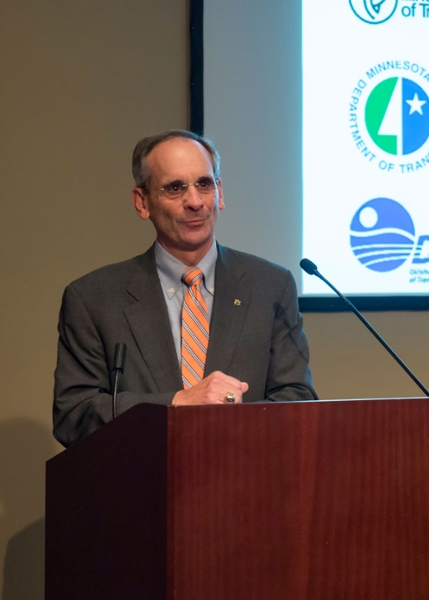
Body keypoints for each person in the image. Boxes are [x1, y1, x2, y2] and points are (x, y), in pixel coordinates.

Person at [53, 130, 317, 447]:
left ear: (219, 192)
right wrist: (177, 402)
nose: (194, 202)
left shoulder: (270, 286)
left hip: (246, 471)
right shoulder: (93, 298)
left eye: (204, 184)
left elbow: (298, 399)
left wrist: (230, 417)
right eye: (175, 188)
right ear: (142, 203)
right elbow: (73, 415)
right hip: (143, 475)